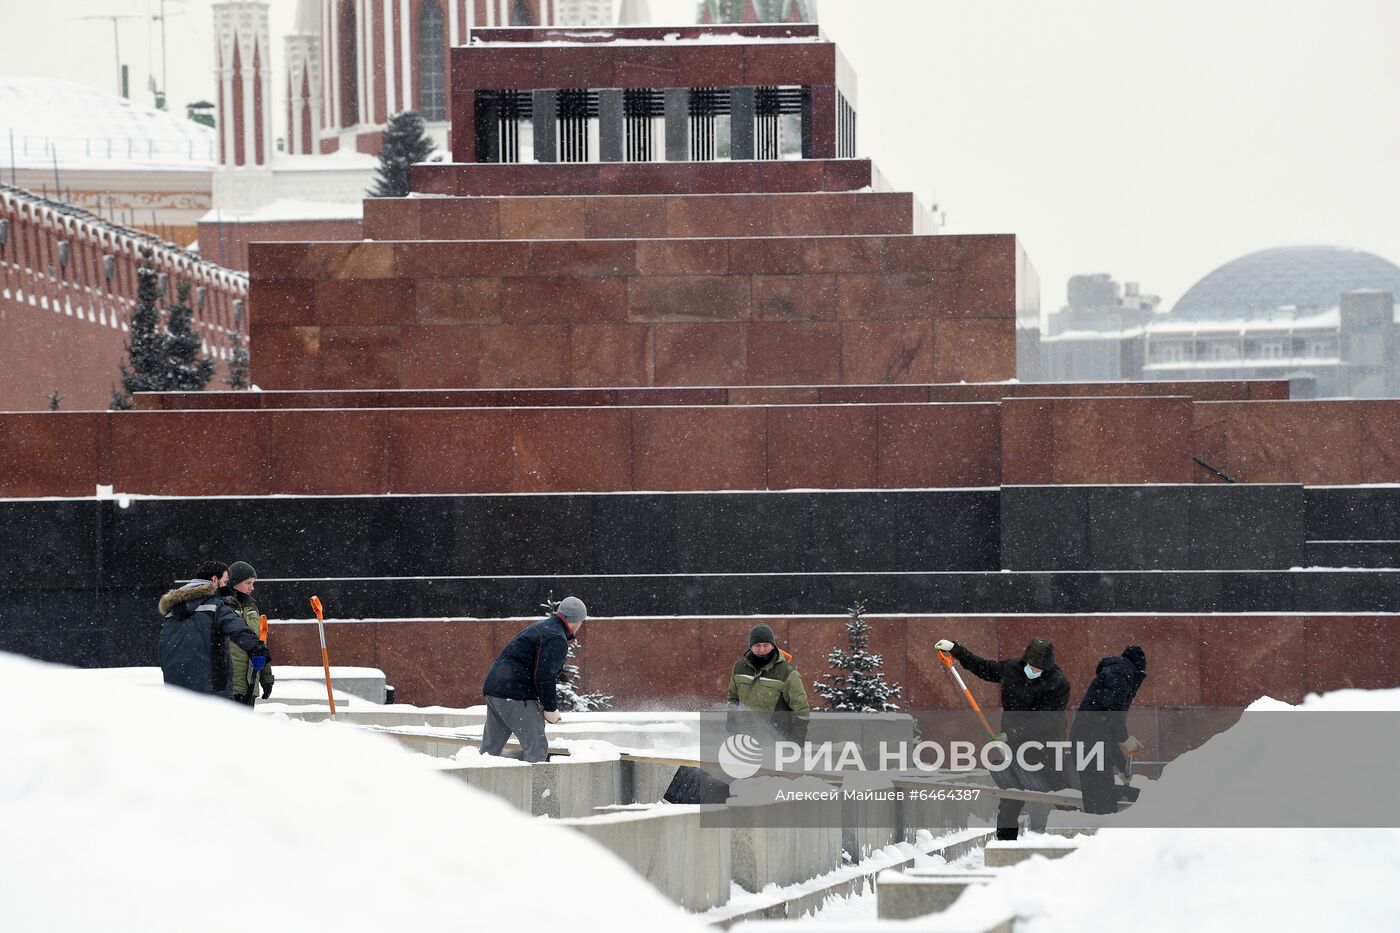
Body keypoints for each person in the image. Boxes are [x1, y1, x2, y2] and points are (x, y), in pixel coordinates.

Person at [934, 636, 1071, 839]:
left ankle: (1074, 838)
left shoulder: (1058, 683)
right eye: (1031, 666)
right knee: (1011, 794)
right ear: (1025, 661)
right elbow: (984, 668)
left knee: (1060, 791)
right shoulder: (1013, 668)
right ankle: (1005, 841)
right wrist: (956, 650)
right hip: (1013, 742)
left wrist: (1011, 734)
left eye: (1038, 669)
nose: (1033, 671)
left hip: (1047, 744)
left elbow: (1046, 720)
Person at [480, 596, 587, 763]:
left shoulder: (543, 627)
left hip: (495, 689)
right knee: (536, 747)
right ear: (577, 621)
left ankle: (472, 785)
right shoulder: (556, 637)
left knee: (490, 750)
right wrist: (550, 708)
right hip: (515, 694)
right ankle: (538, 789)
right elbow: (545, 676)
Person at [158, 561, 269, 696]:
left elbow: (164, 647)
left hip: (176, 688)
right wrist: (257, 649)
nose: (226, 586)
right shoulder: (215, 605)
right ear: (214, 580)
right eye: (225, 581)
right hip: (212, 688)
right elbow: (237, 629)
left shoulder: (172, 610)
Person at [1071, 645, 1148, 814]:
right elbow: (1113, 711)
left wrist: (1121, 766)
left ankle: (1099, 831)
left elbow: (1108, 727)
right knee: (1101, 803)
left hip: (1088, 741)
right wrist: (1124, 739)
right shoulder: (1122, 671)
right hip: (1091, 742)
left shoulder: (1116, 671)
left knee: (1099, 799)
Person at [726, 624, 811, 744]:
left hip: (777, 739)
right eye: (757, 645)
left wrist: (796, 741)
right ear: (751, 646)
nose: (761, 650)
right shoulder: (739, 667)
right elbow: (733, 698)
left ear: (773, 645)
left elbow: (801, 709)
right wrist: (731, 724)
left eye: (766, 645)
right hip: (744, 739)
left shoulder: (787, 672)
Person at [221, 561, 274, 706]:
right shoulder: (222, 606)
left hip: (251, 682)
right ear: (234, 582)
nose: (252, 587)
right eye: (248, 583)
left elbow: (260, 643)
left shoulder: (252, 608)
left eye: (253, 583)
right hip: (229, 685)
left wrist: (266, 678)